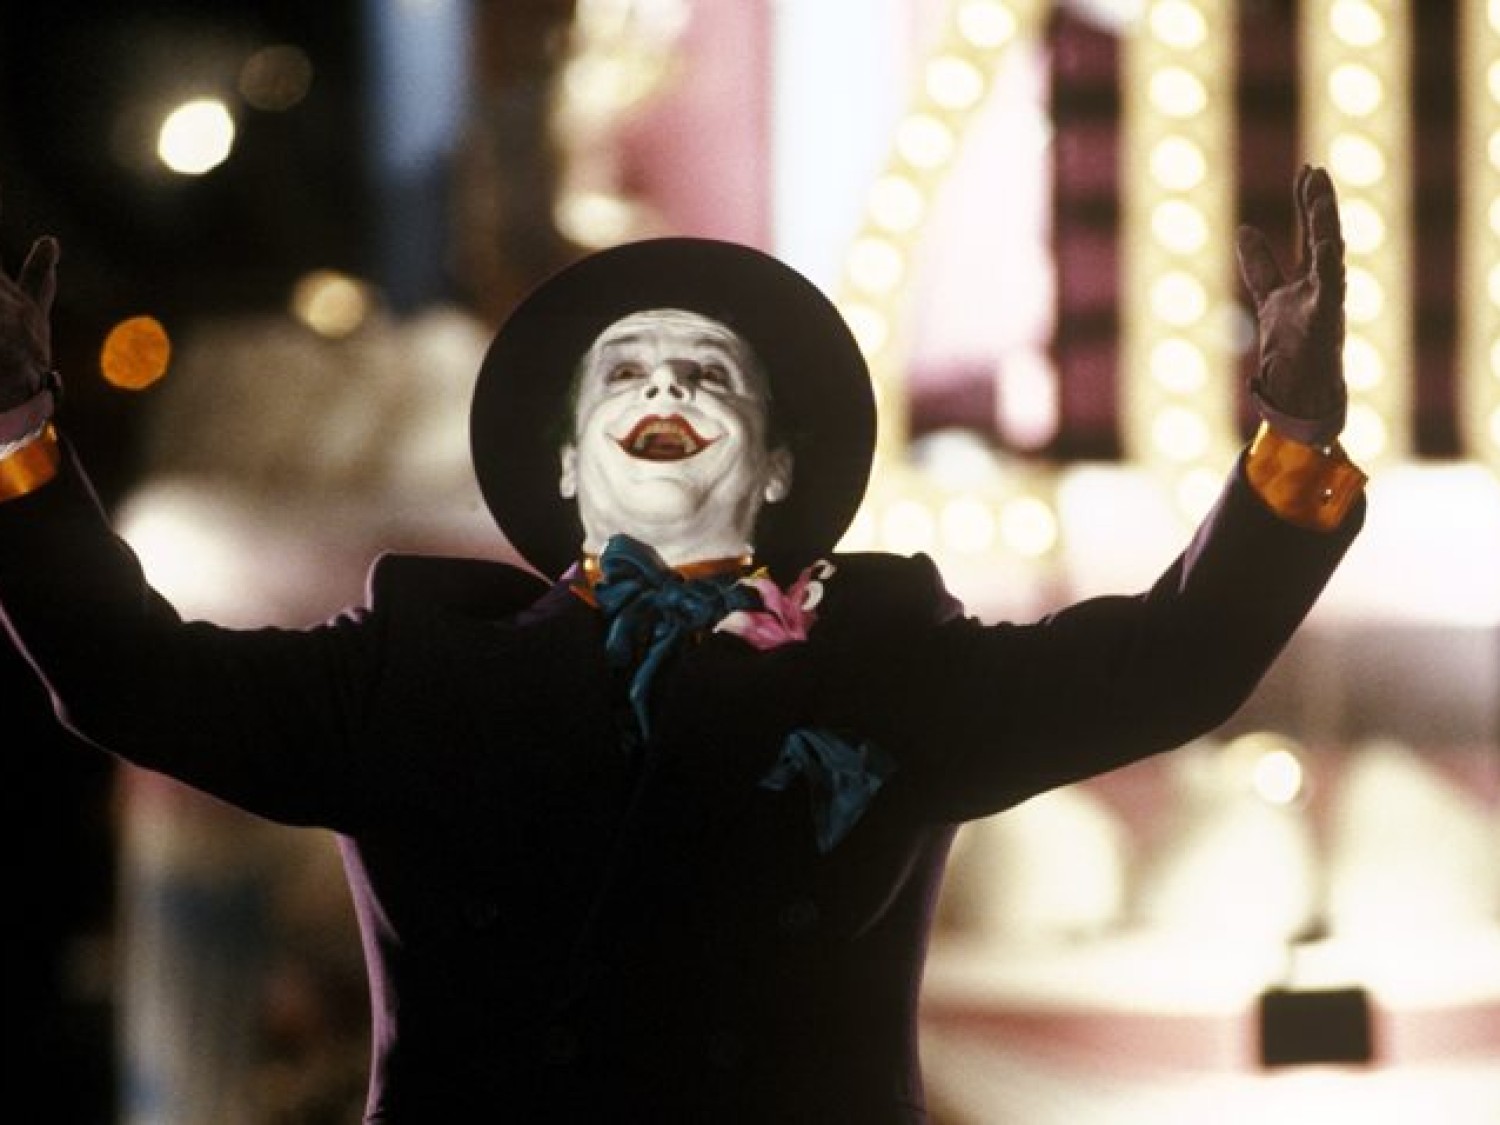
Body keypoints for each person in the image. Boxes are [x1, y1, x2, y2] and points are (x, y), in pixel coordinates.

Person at [0, 165, 1365, 1123]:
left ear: (774, 467)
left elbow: (1170, 661)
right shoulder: (416, 668)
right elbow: (135, 674)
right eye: (626, 371)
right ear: (567, 461)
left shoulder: (893, 661)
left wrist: (1292, 441)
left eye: (707, 372)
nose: (664, 381)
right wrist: (18, 438)